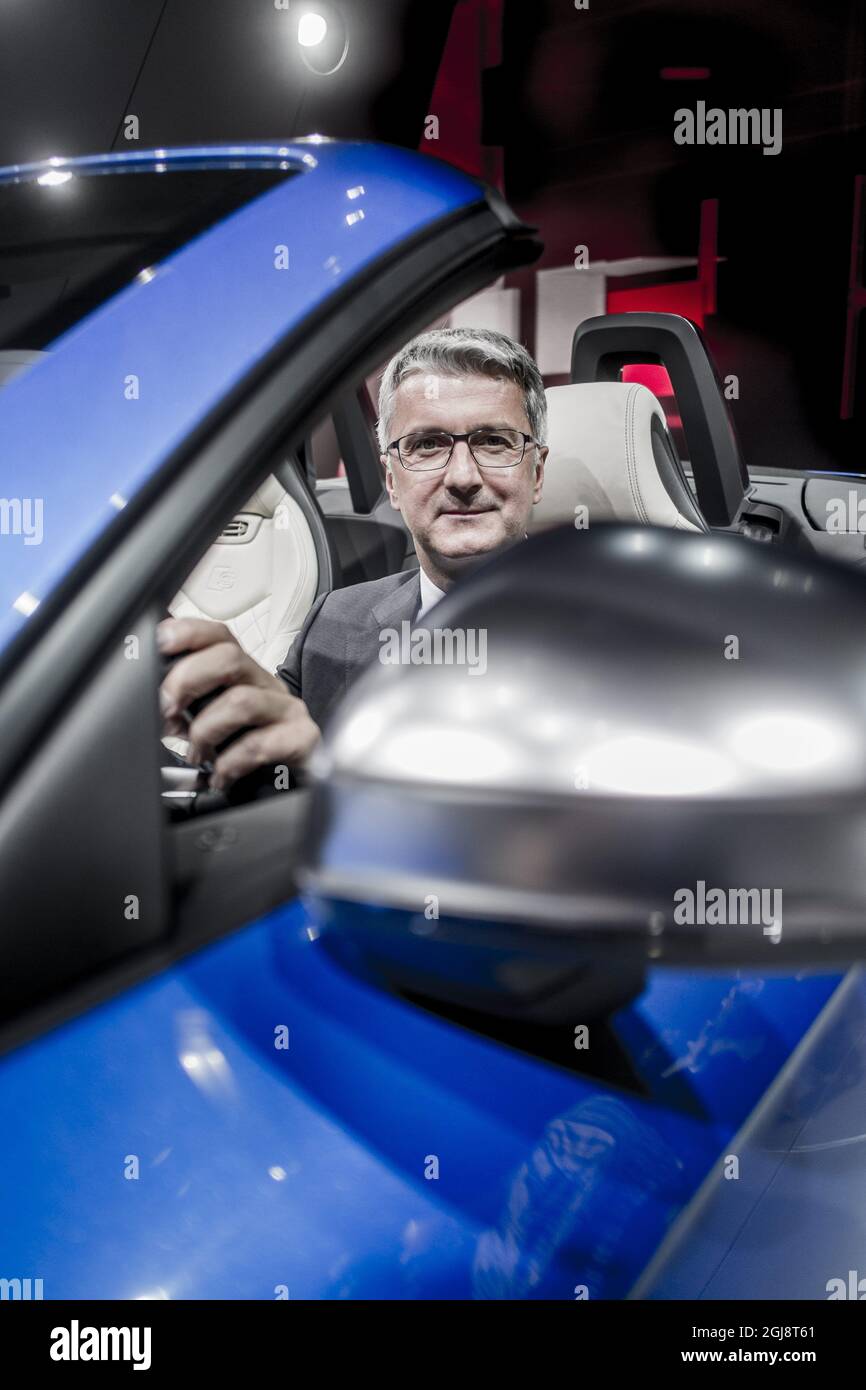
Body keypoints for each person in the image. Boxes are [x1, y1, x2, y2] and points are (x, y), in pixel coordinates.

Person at [158, 327, 548, 789]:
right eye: (427, 445)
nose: (462, 476)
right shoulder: (334, 620)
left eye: (492, 442)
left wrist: (325, 769)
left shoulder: (614, 634)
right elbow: (264, 777)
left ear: (537, 472)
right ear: (391, 481)